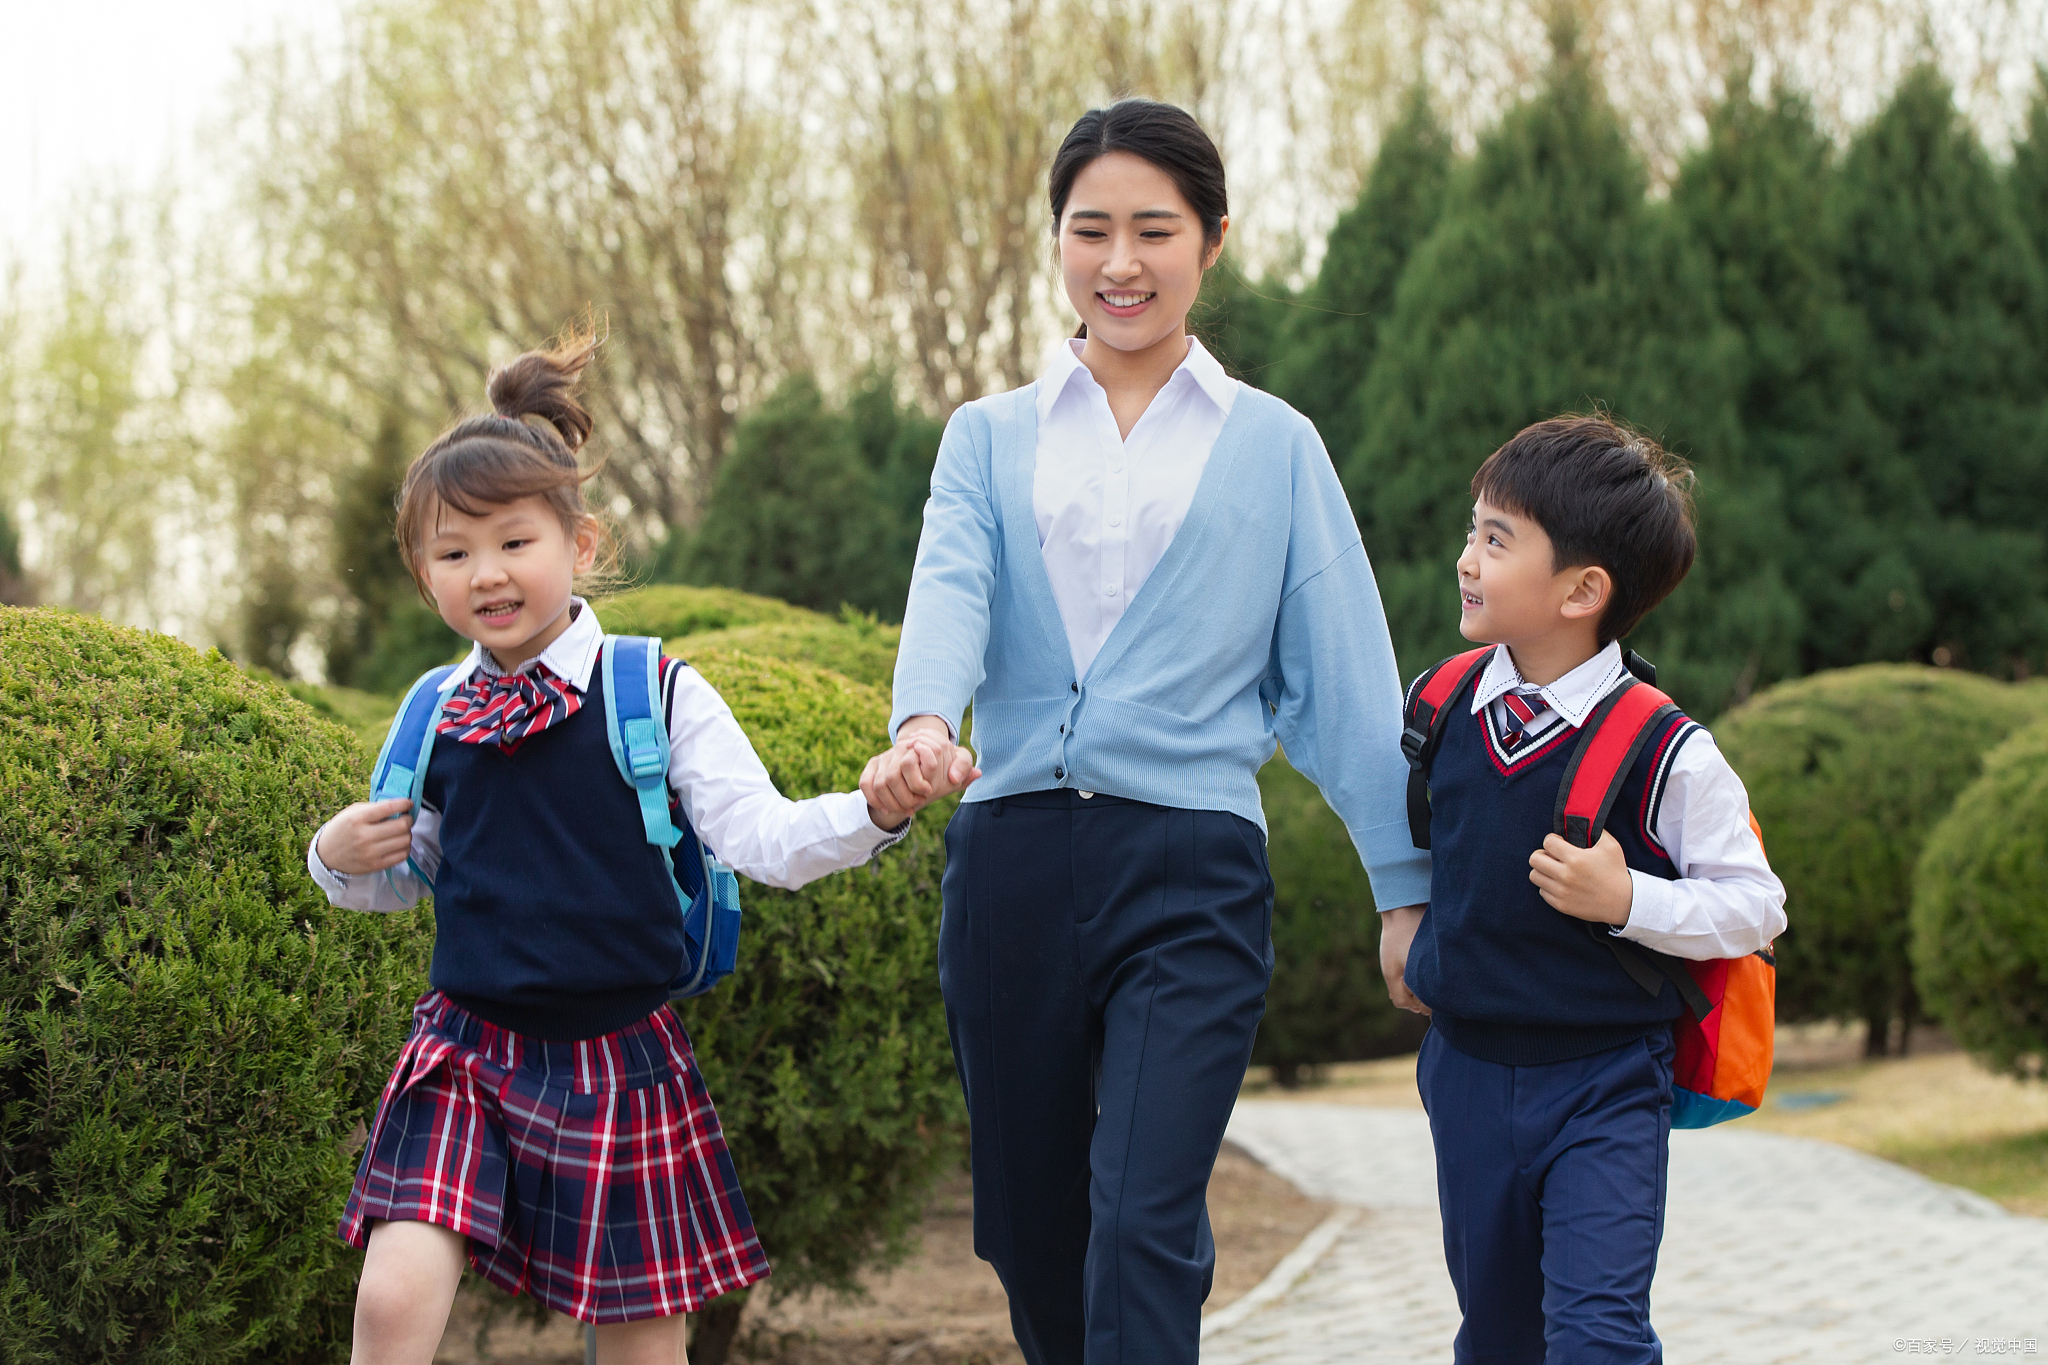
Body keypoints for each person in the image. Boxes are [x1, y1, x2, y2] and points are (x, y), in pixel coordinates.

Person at [862, 99, 1428, 1365]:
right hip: (1007, 861)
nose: (1120, 262)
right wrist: (918, 726)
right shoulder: (985, 437)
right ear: (1057, 242)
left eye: (1154, 232)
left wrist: (1403, 887)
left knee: (1142, 1217)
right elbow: (949, 593)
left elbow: (1343, 680)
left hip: (1190, 875)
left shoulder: (1276, 448)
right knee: (1028, 1224)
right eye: (1090, 230)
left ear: (1211, 242)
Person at [307, 334, 941, 1365]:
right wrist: (337, 857)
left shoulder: (655, 692)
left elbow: (762, 840)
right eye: (454, 553)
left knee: (644, 1347)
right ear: (425, 578)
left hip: (620, 1058)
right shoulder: (432, 711)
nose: (487, 574)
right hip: (465, 1050)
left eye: (513, 542)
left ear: (581, 545)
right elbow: (396, 883)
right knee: (391, 1298)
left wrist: (875, 809)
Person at [1379, 415, 1788, 1363]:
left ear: (1584, 591)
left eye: (1496, 539)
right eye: (1473, 530)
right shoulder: (1435, 704)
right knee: (1498, 1335)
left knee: (1597, 1334)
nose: (1465, 560)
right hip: (1466, 1070)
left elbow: (1756, 902)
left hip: (1606, 1081)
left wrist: (1630, 900)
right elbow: (1406, 837)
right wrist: (1399, 919)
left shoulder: (1667, 747)